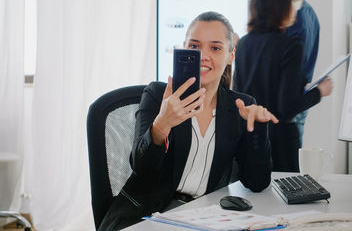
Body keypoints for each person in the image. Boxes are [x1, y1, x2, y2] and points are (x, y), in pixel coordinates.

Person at [99, 12, 278, 231]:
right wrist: (162, 124)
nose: (203, 55)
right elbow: (140, 170)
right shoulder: (158, 95)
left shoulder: (239, 106)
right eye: (194, 47)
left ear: (231, 55)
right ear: (183, 48)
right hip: (148, 216)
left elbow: (257, 182)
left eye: (215, 48)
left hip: (204, 216)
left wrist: (257, 128)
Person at [233, 0, 333, 173]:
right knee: (285, 199)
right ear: (282, 4)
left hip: (249, 137)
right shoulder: (291, 46)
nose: (296, 8)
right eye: (293, 1)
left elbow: (238, 96)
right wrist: (319, 92)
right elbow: (286, 108)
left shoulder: (243, 44)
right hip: (280, 142)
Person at [260, 0, 321, 147]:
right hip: (294, 102)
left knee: (283, 167)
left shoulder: (293, 18)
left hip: (287, 105)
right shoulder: (308, 11)